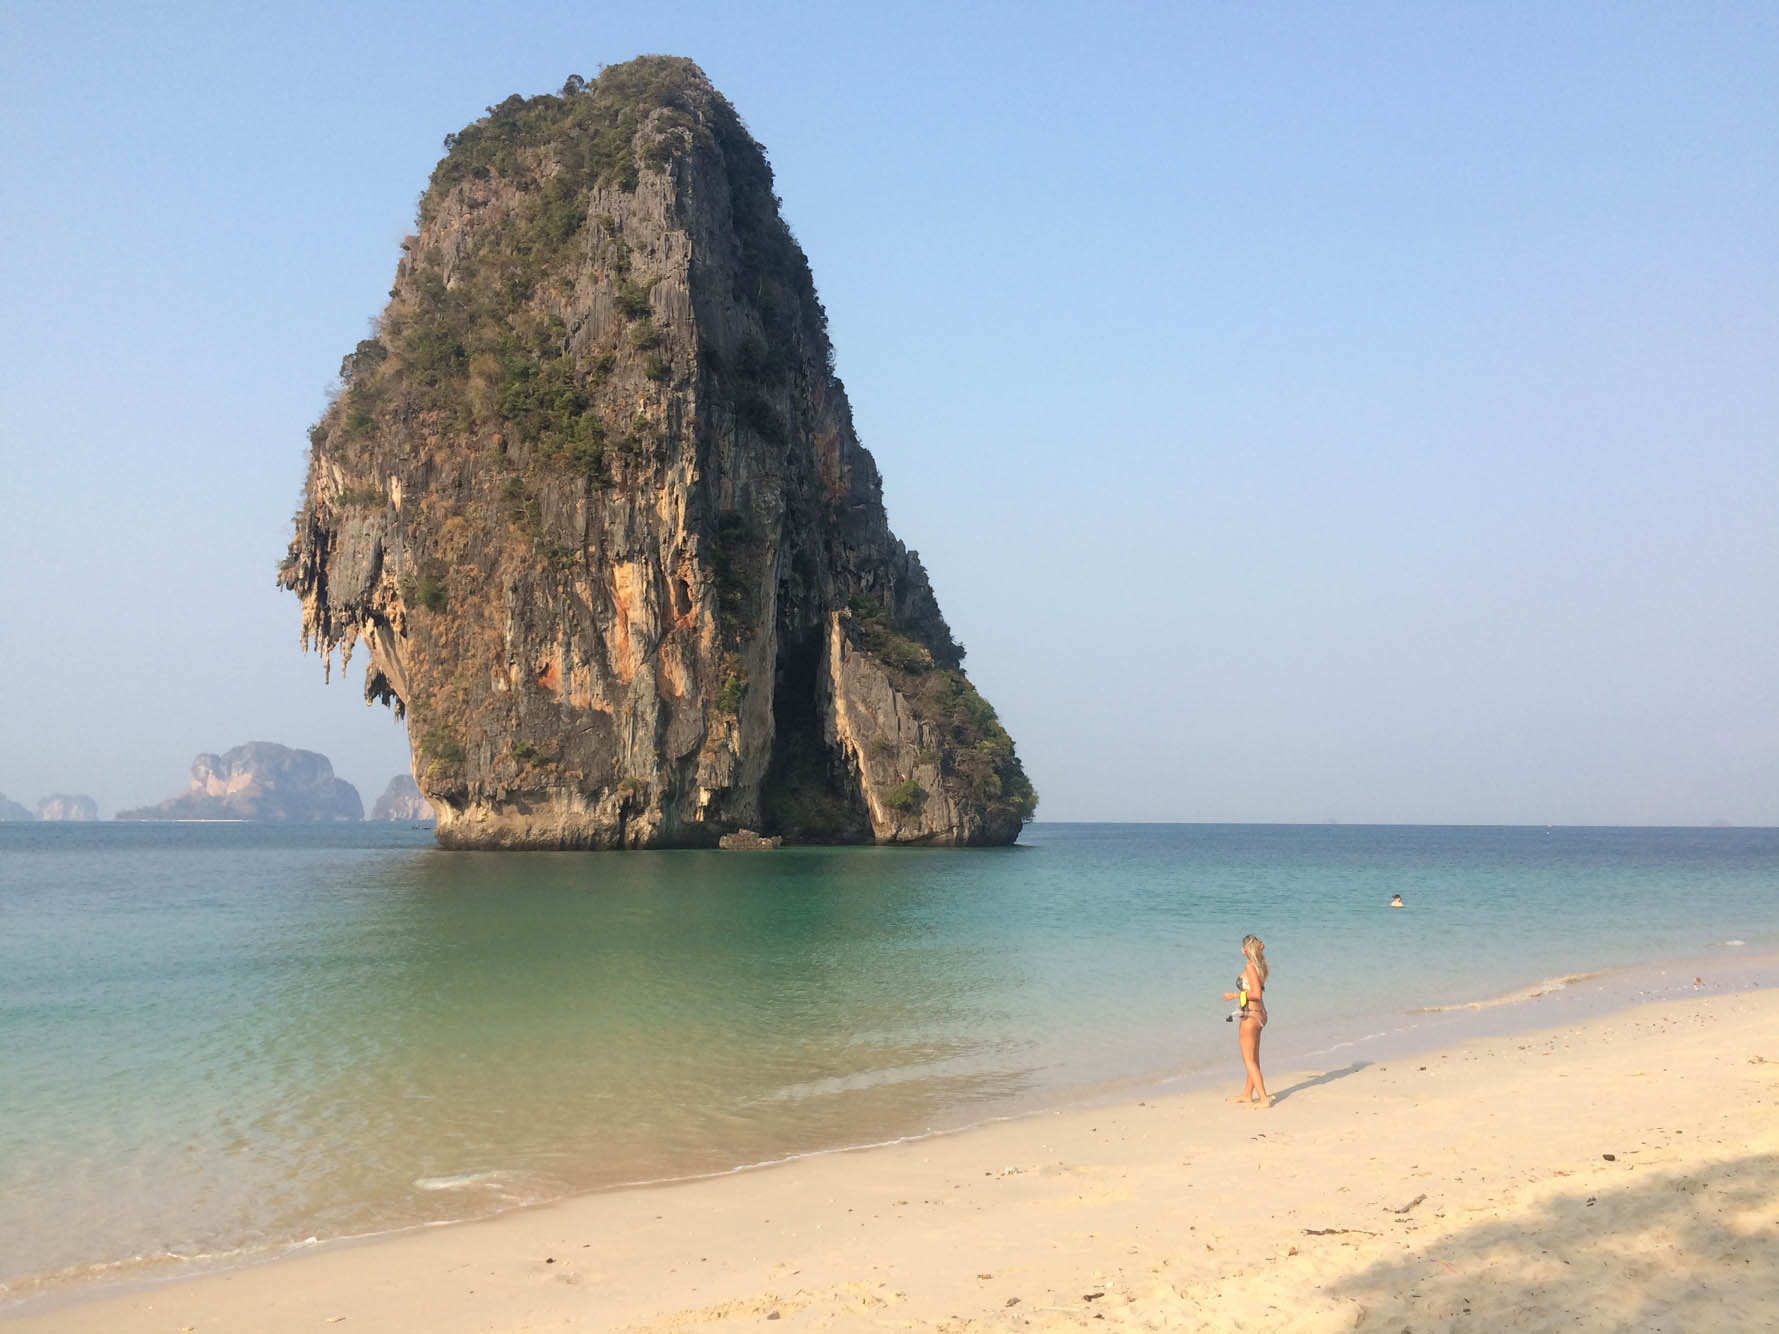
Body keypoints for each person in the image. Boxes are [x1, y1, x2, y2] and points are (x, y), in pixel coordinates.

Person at [1222, 934, 1270, 1108]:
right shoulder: (1259, 965)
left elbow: (1256, 994)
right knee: (1253, 1058)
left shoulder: (1250, 966)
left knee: (1248, 1060)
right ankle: (1247, 1094)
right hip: (1259, 1014)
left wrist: (1234, 995)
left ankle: (1264, 1098)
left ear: (1244, 950)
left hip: (1251, 1016)